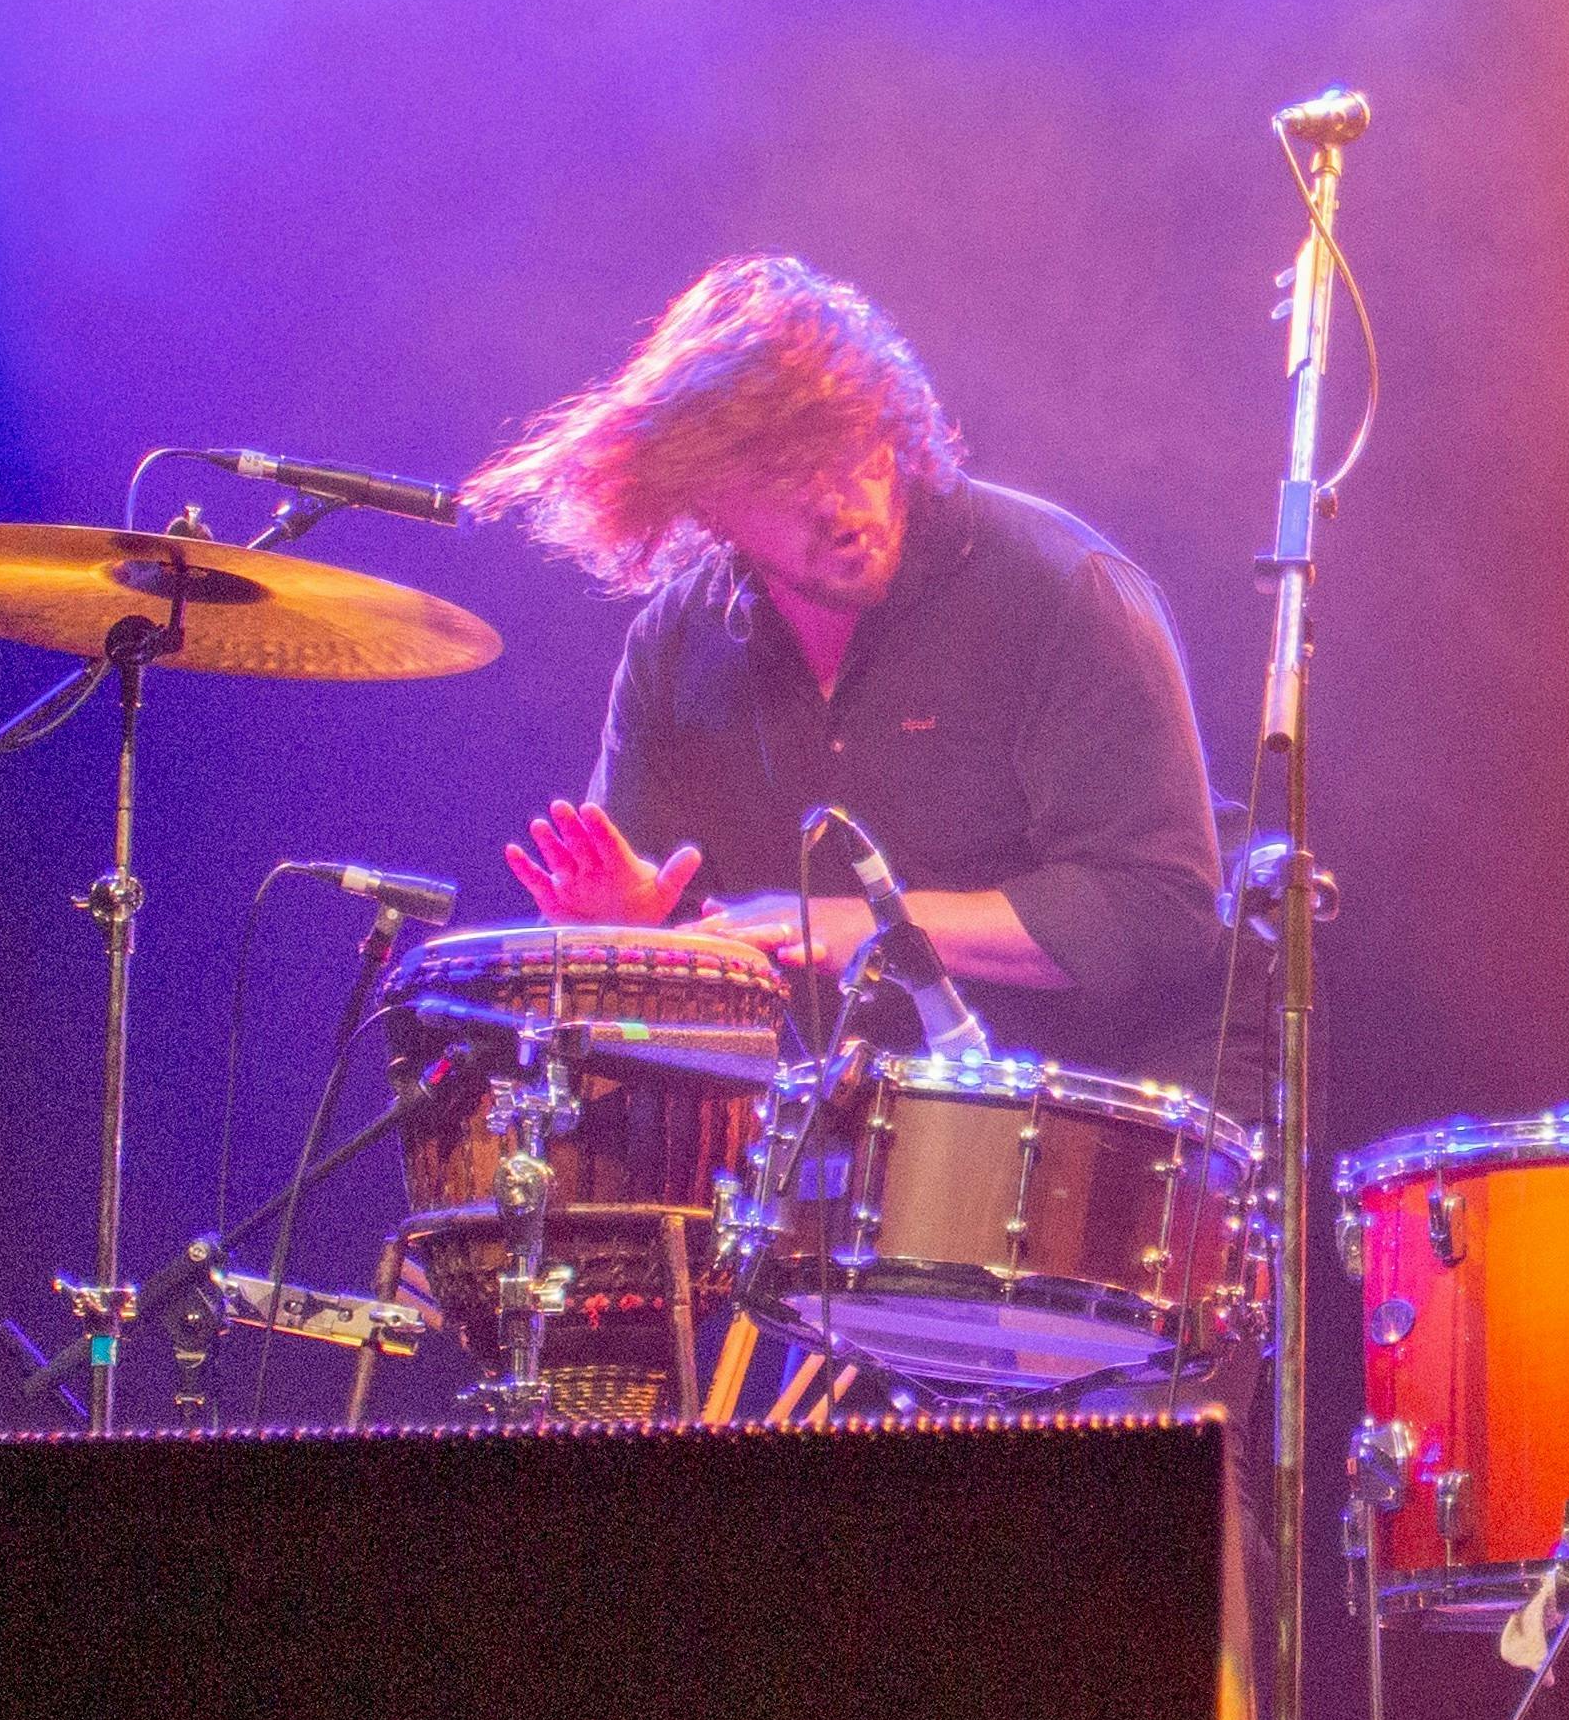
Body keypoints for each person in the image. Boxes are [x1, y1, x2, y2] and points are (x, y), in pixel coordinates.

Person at [475, 254, 1229, 1103]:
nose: (842, 506)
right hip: (839, 1135)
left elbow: (1159, 908)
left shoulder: (1061, 589)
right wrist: (634, 938)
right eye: (788, 481)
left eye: (856, 453)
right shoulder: (674, 647)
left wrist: (872, 926)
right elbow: (667, 972)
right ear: (706, 503)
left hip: (1106, 1125)